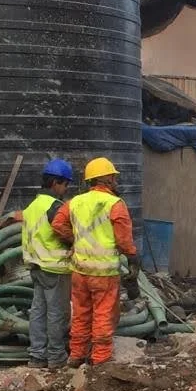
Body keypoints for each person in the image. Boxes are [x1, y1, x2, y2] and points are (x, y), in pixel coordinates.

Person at [51, 157, 138, 367]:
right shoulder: (115, 204)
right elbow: (124, 240)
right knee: (103, 314)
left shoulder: (75, 202)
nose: (115, 181)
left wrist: (76, 239)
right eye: (113, 177)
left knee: (81, 313)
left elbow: (57, 224)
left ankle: (76, 355)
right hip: (104, 273)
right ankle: (100, 358)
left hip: (80, 270)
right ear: (106, 178)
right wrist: (133, 258)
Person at [14, 159, 74, 370]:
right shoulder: (54, 207)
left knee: (38, 312)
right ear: (56, 183)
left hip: (36, 266)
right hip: (55, 268)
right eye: (66, 184)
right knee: (57, 313)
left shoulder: (32, 206)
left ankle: (37, 356)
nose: (65, 189)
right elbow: (63, 231)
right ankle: (56, 356)